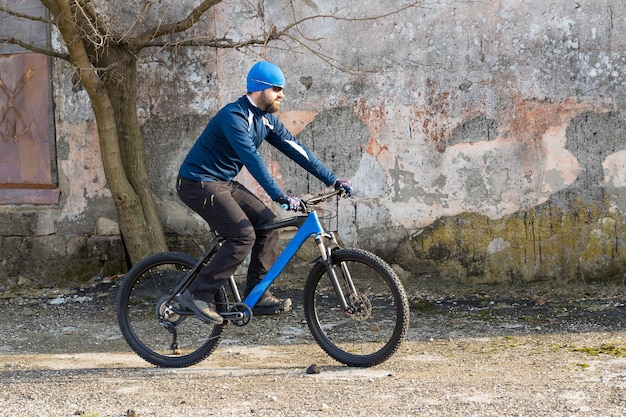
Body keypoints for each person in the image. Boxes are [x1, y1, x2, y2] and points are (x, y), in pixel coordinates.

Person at [176, 61, 353, 324]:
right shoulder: (233, 117)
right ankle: (197, 294)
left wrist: (332, 180)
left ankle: (257, 297)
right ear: (260, 88)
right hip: (197, 182)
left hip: (221, 182)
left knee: (269, 224)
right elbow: (252, 159)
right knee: (242, 235)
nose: (282, 94)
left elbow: (296, 148)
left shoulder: (266, 120)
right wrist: (279, 195)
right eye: (277, 89)